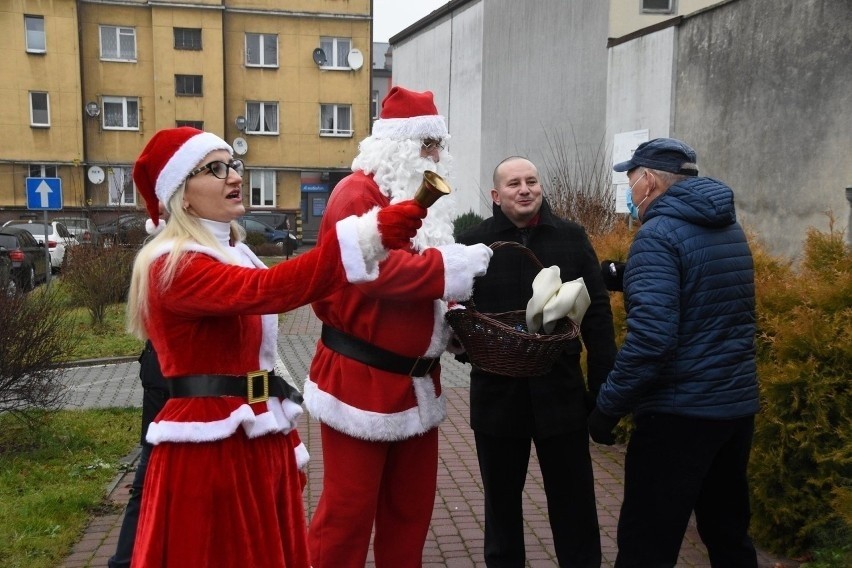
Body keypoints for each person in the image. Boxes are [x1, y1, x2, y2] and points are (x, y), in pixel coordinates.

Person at [124, 126, 428, 567]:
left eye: (233, 165)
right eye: (215, 169)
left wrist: (282, 445)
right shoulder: (174, 265)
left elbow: (254, 350)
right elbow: (269, 289)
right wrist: (369, 235)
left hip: (249, 436)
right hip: (208, 447)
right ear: (182, 194)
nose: (233, 177)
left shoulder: (231, 251)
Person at [303, 86, 493, 567]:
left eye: (438, 144)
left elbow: (422, 280)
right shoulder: (357, 193)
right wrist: (450, 267)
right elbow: (373, 273)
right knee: (347, 516)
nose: (436, 155)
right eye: (426, 144)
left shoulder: (415, 200)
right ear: (396, 144)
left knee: (409, 514)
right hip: (359, 382)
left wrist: (451, 320)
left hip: (416, 385)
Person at [588, 138, 759, 567]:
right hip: (733, 409)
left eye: (631, 179)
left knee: (647, 541)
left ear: (648, 180)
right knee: (727, 533)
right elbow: (707, 295)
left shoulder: (657, 235)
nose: (630, 191)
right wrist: (630, 277)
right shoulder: (727, 226)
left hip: (678, 417)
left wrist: (608, 407)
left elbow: (651, 342)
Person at [456, 156, 617, 567]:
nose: (524, 189)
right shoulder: (473, 243)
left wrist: (601, 393)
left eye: (531, 181)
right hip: (496, 394)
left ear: (541, 188)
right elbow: (455, 311)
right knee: (501, 506)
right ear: (496, 195)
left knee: (575, 503)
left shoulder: (571, 236)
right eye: (514, 184)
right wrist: (461, 344)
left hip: (560, 394)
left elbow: (598, 314)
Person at [107, 341, 167, 568]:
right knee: (147, 481)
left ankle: (124, 560)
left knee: (145, 485)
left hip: (160, 372)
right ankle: (124, 560)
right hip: (172, 378)